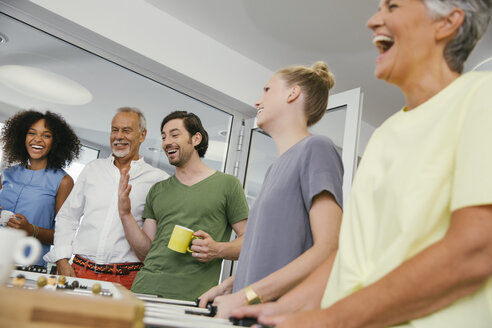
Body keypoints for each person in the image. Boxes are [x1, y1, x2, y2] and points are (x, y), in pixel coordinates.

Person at [232, 1, 492, 327]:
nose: (372, 21)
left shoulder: (483, 99)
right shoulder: (385, 134)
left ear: (448, 22)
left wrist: (331, 319)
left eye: (392, 6)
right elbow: (346, 260)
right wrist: (268, 309)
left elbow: (475, 250)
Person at [198, 61, 343, 317]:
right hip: (249, 312)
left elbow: (329, 248)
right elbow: (274, 255)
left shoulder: (317, 149)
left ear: (292, 93)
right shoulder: (273, 169)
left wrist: (247, 296)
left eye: (267, 89)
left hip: (280, 317)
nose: (257, 102)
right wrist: (230, 287)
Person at [118, 110, 249, 301]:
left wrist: (217, 249)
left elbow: (249, 241)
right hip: (144, 291)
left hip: (192, 297)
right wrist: (125, 213)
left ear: (196, 139)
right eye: (163, 136)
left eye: (174, 134)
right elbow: (146, 252)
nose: (166, 142)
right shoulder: (158, 190)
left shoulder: (227, 185)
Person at [44, 107, 168, 289]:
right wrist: (62, 260)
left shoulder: (158, 180)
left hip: (127, 279)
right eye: (114, 130)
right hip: (78, 272)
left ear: (142, 135)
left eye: (126, 130)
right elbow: (68, 216)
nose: (119, 136)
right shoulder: (92, 169)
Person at [0, 110, 80, 267]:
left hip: (28, 263)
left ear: (55, 142)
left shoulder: (63, 181)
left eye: (46, 135)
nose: (37, 139)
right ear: (23, 137)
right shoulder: (6, 174)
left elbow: (63, 236)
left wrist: (31, 230)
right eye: (32, 133)